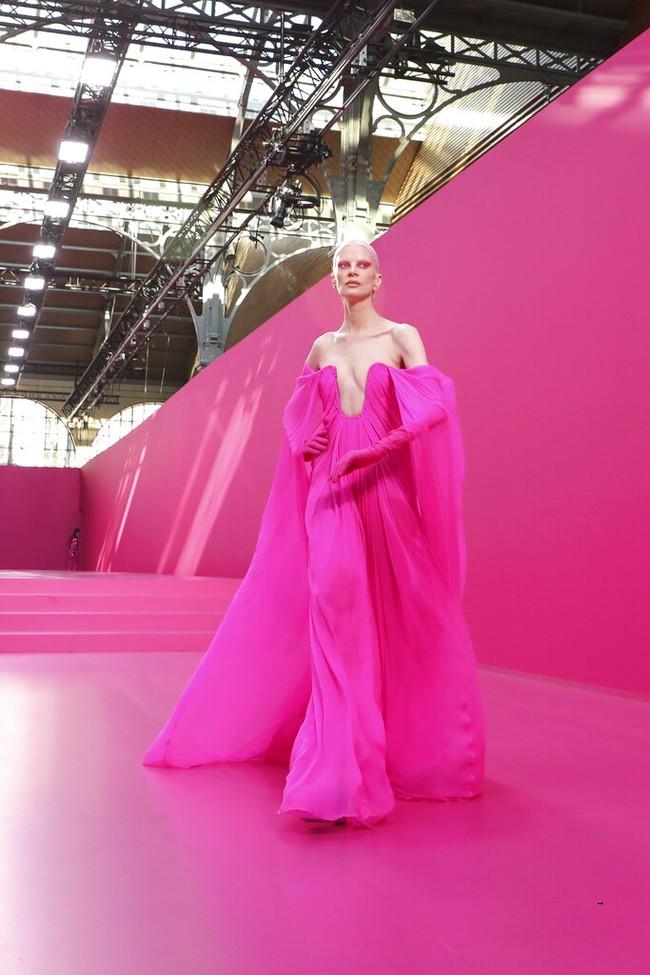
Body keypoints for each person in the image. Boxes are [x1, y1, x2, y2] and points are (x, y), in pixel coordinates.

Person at [144, 241, 485, 826]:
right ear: (334, 280)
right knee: (332, 609)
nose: (352, 272)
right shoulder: (322, 347)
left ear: (379, 277)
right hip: (331, 494)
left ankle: (419, 753)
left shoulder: (402, 337)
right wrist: (307, 442)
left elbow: (434, 405)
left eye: (362, 265)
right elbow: (297, 409)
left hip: (387, 493)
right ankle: (336, 774)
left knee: (413, 616)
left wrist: (375, 449)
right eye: (342, 266)